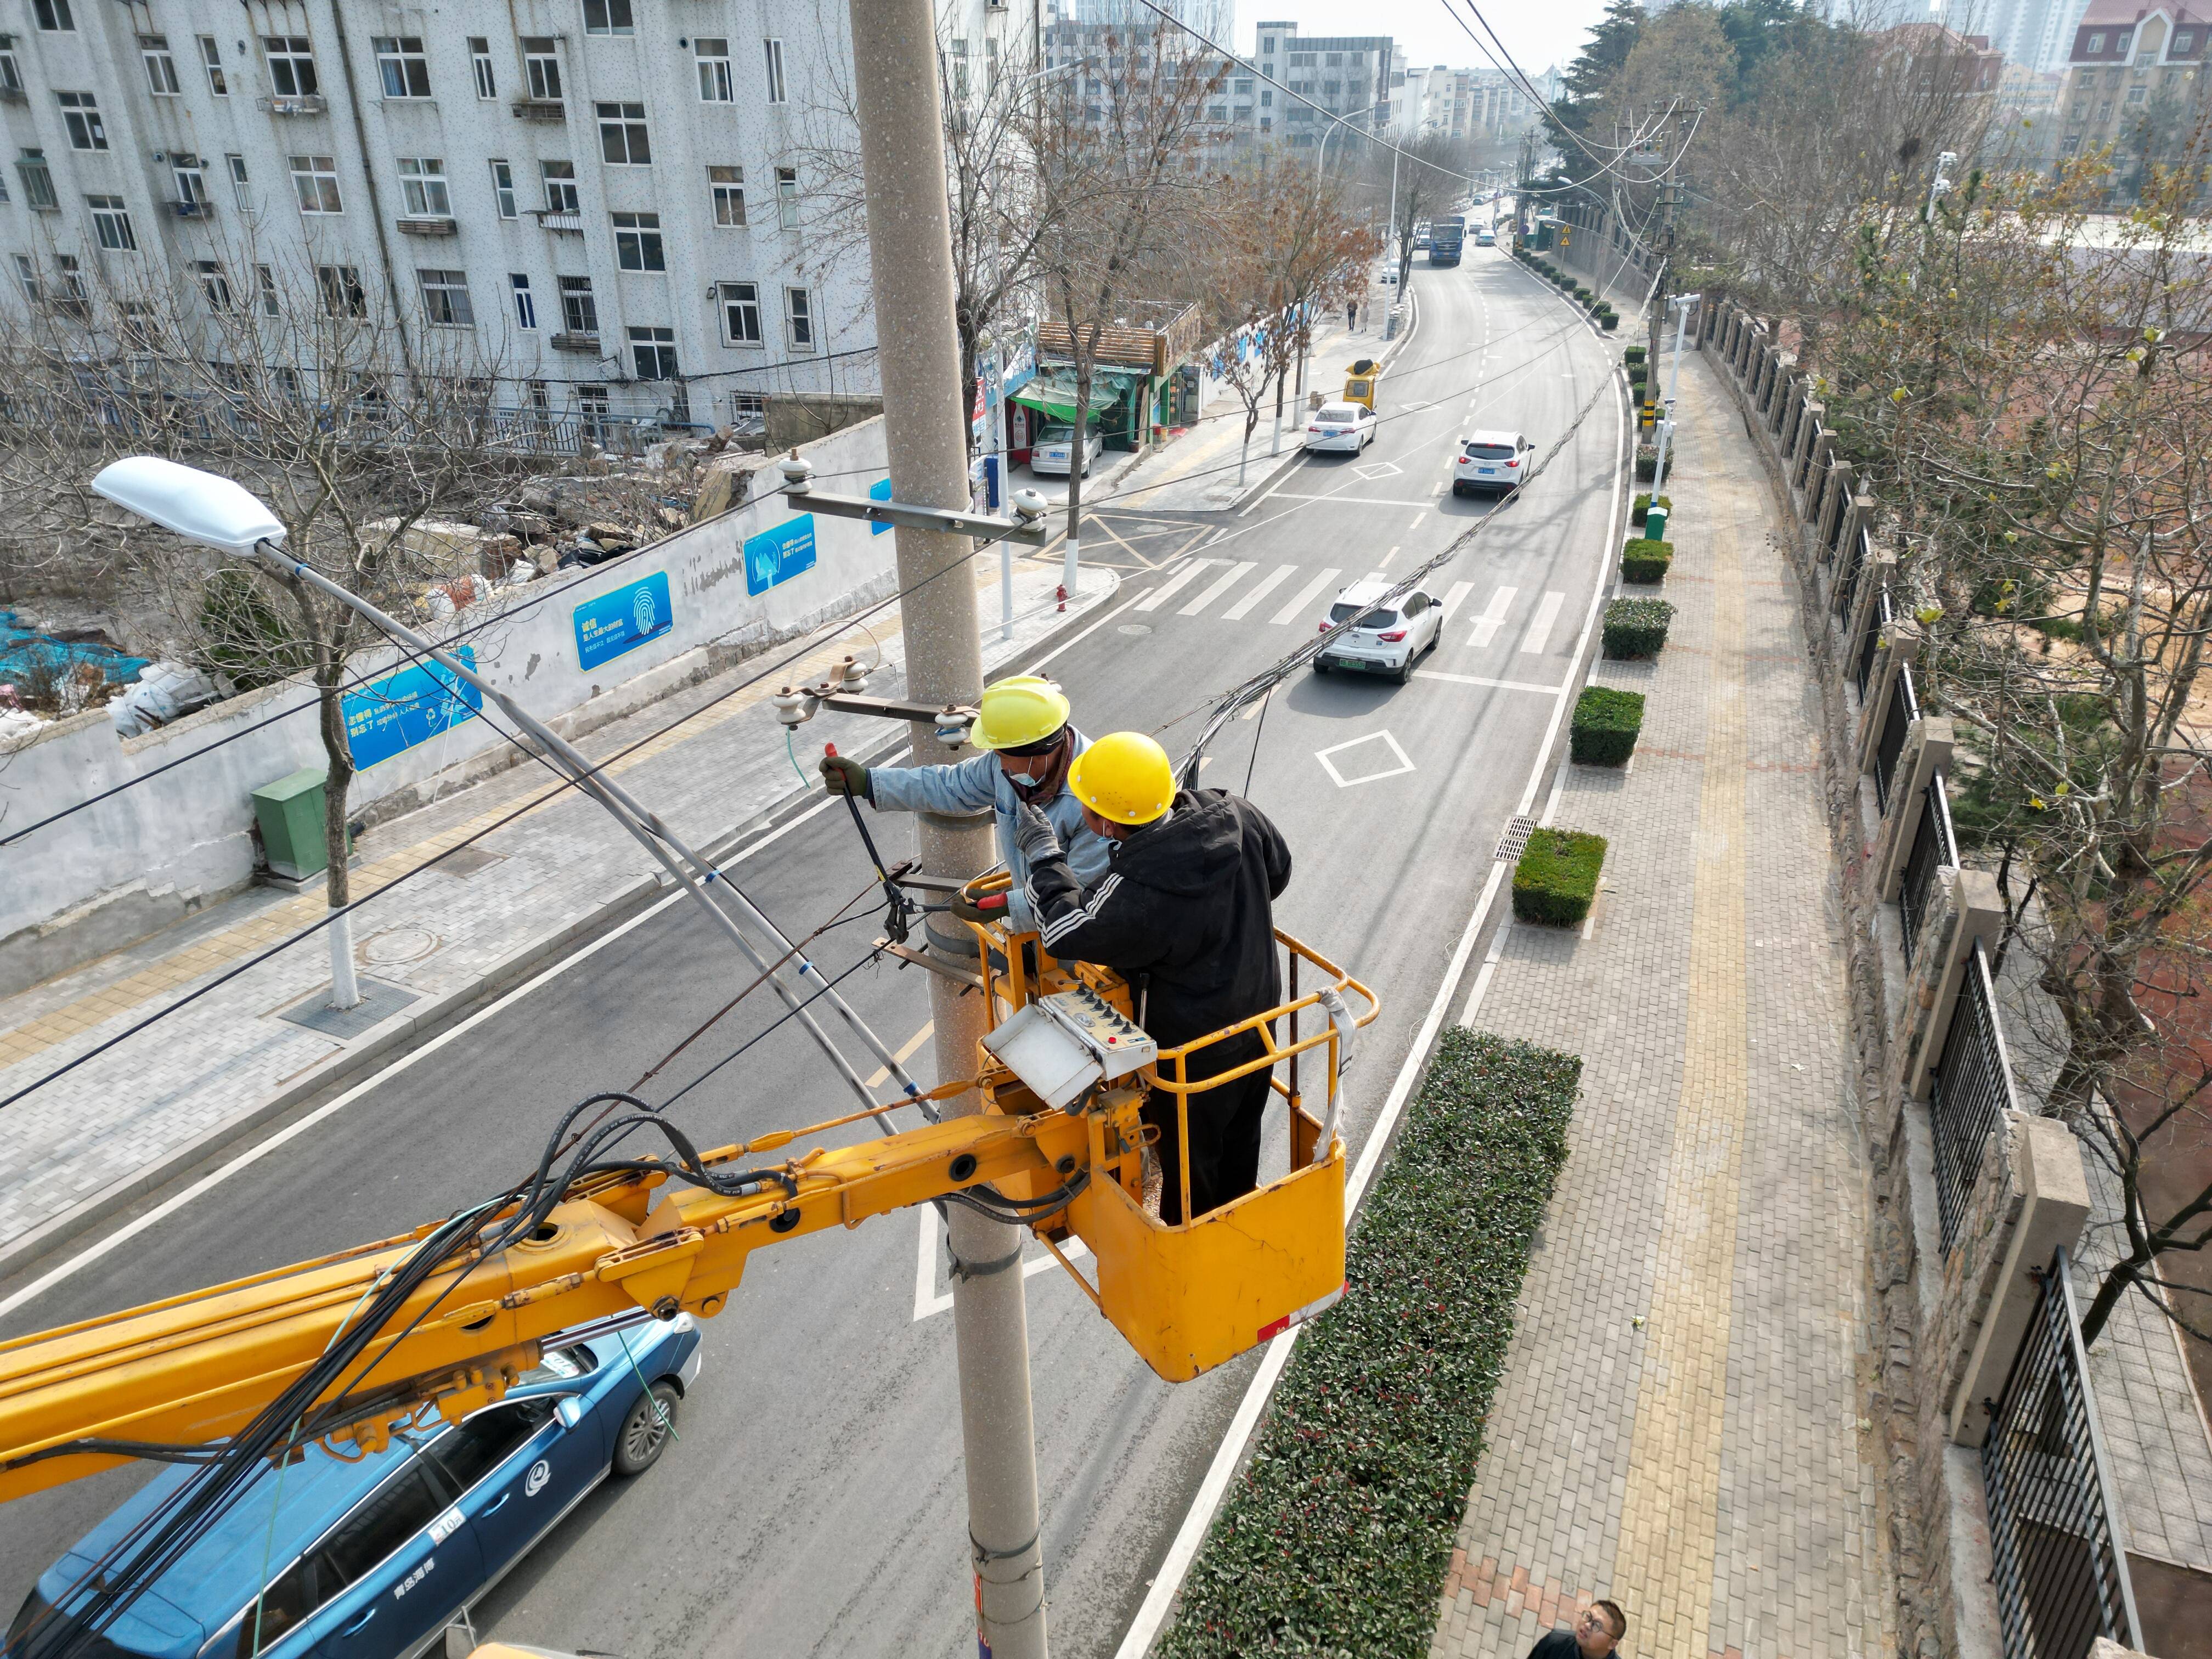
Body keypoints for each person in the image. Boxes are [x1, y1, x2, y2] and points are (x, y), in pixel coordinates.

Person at [1017, 731, 1291, 1223]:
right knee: (1241, 1136)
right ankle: (1239, 1225)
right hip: (1259, 1015)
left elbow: (1065, 929)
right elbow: (1278, 873)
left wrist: (1043, 856)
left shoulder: (1140, 889)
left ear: (1102, 820)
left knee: (1191, 1164)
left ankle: (1193, 1255)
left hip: (1193, 1050)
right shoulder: (1236, 814)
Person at [818, 675, 1111, 934]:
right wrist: (870, 782)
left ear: (1041, 749)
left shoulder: (1094, 801)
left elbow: (1083, 893)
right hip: (1042, 922)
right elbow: (950, 785)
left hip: (1080, 943)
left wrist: (1011, 905)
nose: (1002, 765)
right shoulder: (1007, 764)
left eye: (1006, 755)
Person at [1526, 1601, 1626, 1659]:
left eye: (1597, 1625)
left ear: (1612, 1644)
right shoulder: (1555, 1643)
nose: (1587, 1625)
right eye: (1588, 1617)